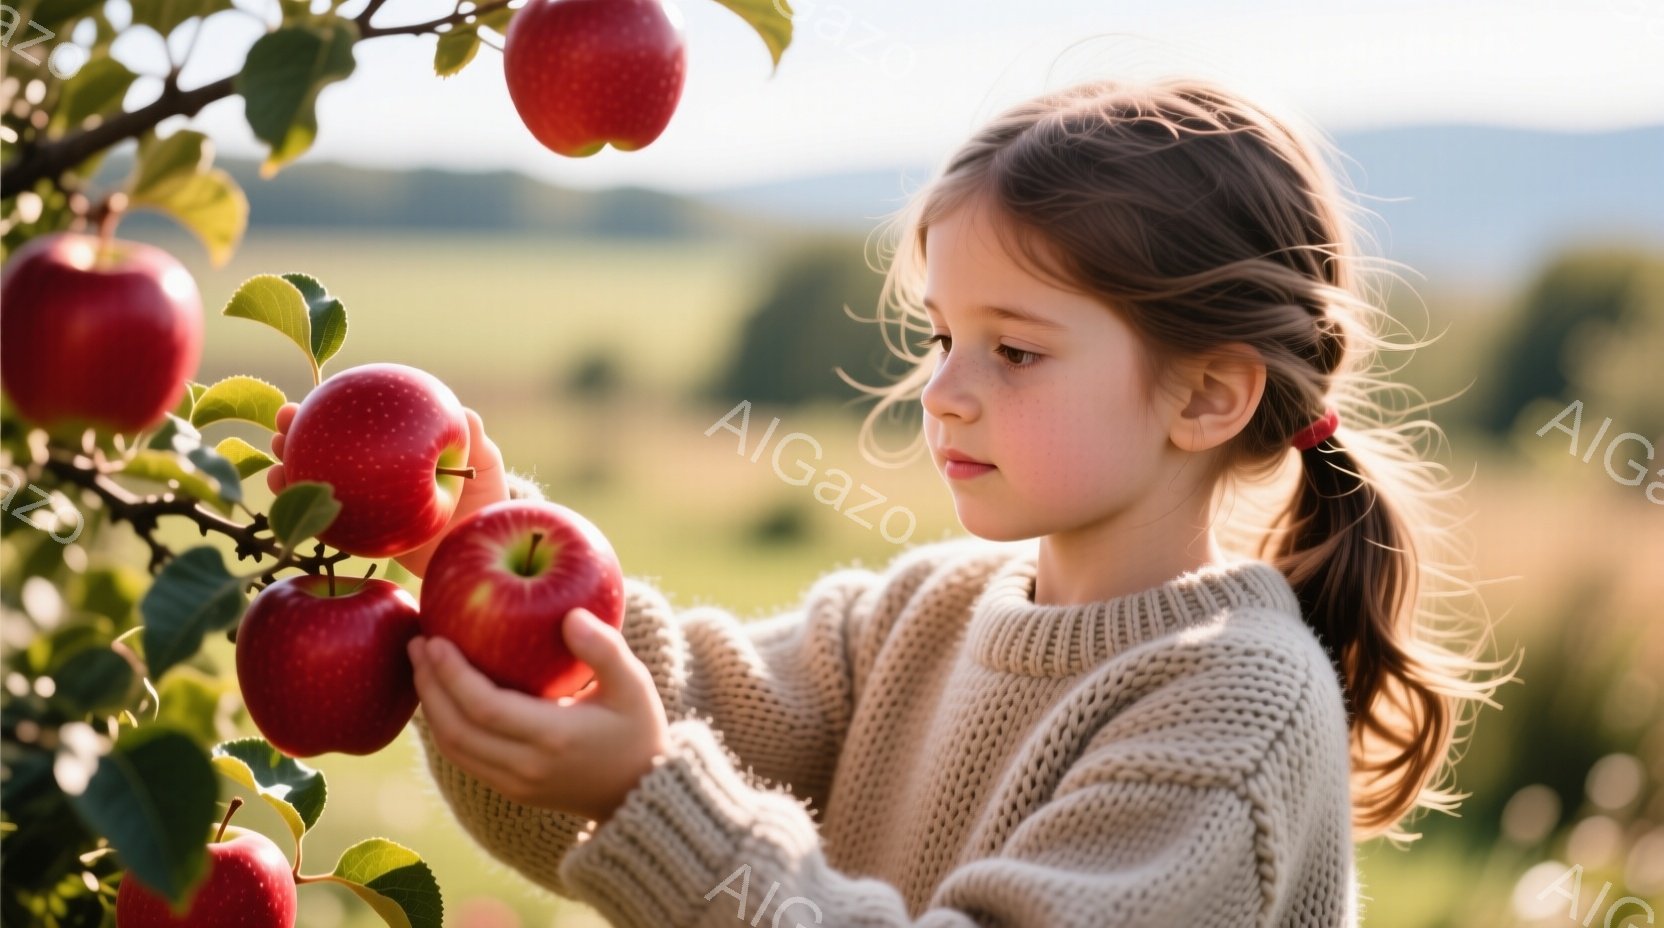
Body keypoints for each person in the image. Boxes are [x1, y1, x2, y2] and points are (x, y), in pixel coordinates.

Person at [268, 74, 1515, 927]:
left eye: (1013, 351)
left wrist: (649, 802)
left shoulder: (1235, 707)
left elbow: (655, 788)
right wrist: (473, 556)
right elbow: (682, 705)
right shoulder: (924, 608)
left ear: (1206, 397)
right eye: (940, 336)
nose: (946, 392)